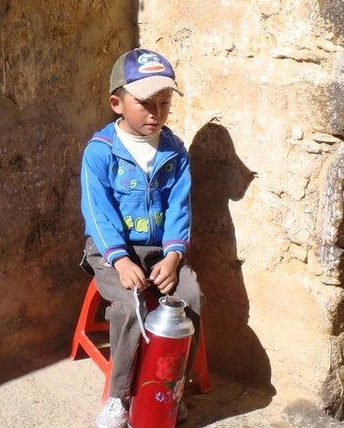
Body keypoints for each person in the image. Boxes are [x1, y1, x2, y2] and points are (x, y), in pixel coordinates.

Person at [80, 48, 202, 428]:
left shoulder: (174, 151)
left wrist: (173, 257)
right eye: (145, 103)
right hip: (110, 250)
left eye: (164, 103)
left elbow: (180, 207)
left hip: (160, 251)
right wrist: (120, 258)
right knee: (132, 303)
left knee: (190, 297)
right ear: (117, 103)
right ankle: (121, 397)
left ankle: (170, 389)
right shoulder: (100, 152)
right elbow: (97, 213)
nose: (156, 113)